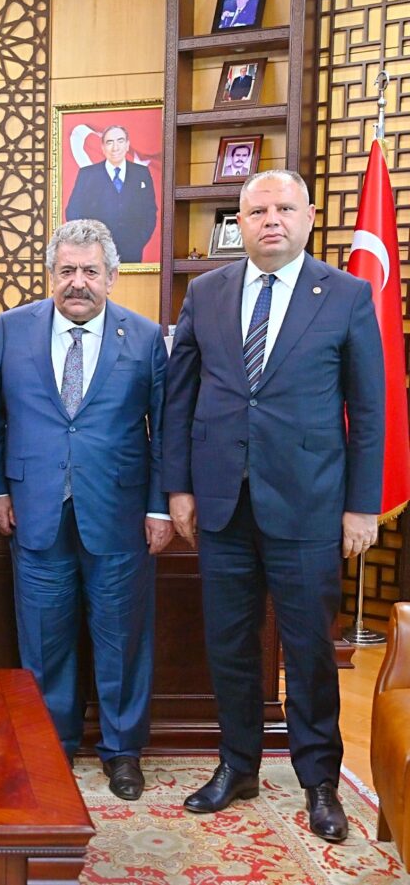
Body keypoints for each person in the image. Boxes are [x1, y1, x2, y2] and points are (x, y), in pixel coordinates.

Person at [163, 170, 385, 843]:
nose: (271, 221)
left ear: (308, 217)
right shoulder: (206, 292)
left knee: (309, 648)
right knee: (229, 644)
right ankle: (238, 764)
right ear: (240, 221)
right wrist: (178, 486)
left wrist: (362, 506)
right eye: (257, 210)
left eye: (284, 208)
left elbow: (369, 410)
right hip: (222, 503)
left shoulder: (345, 294)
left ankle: (320, 780)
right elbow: (179, 397)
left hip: (309, 503)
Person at [0, 218, 173, 800]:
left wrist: (159, 508)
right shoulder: (13, 329)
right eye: (66, 270)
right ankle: (52, 743)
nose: (78, 282)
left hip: (119, 514)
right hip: (34, 509)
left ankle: (122, 752)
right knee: (45, 640)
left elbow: (164, 431)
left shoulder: (144, 337)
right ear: (50, 275)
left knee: (121, 639)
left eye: (90, 271)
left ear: (112, 276)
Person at [64, 125, 157, 263]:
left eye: (120, 141)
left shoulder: (141, 173)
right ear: (103, 147)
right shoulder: (87, 174)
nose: (115, 147)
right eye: (109, 142)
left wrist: (138, 241)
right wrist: (88, 244)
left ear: (127, 145)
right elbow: (73, 212)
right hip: (94, 255)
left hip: (132, 253)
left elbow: (149, 211)